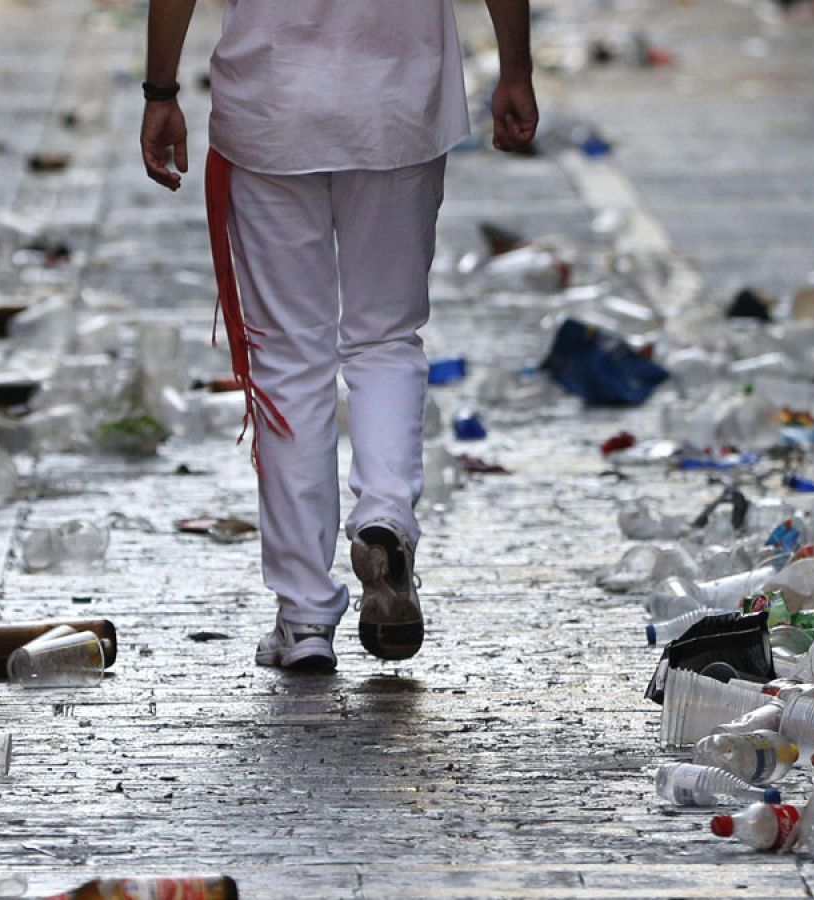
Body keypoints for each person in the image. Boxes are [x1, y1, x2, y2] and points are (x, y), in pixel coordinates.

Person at [140, 1, 538, 672]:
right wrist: (516, 68)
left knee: (289, 359)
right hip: (401, 102)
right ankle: (385, 518)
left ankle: (303, 617)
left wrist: (161, 90)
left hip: (271, 104)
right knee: (386, 336)